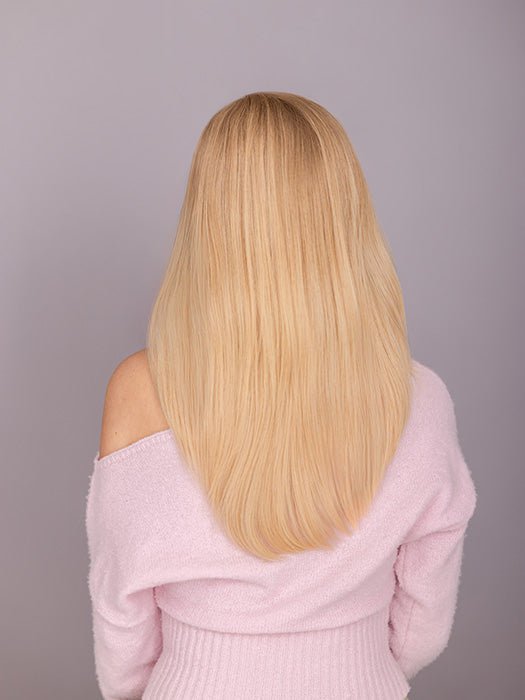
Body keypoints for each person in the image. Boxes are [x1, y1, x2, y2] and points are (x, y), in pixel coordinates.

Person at [86, 92, 477, 700]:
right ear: (345, 214)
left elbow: (122, 621)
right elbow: (423, 621)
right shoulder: (419, 397)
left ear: (207, 218)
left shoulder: (140, 389)